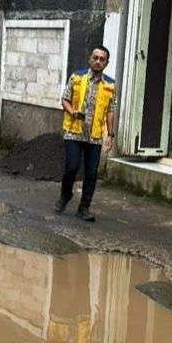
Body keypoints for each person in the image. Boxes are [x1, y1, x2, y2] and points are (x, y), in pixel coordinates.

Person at [56, 45, 117, 222]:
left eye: (102, 59)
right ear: (90, 59)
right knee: (72, 167)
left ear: (106, 63)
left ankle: (84, 208)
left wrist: (110, 134)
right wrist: (73, 112)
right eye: (95, 58)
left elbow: (110, 110)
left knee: (91, 173)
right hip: (74, 132)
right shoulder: (76, 77)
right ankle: (65, 195)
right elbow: (65, 99)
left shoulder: (110, 85)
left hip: (95, 136)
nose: (98, 61)